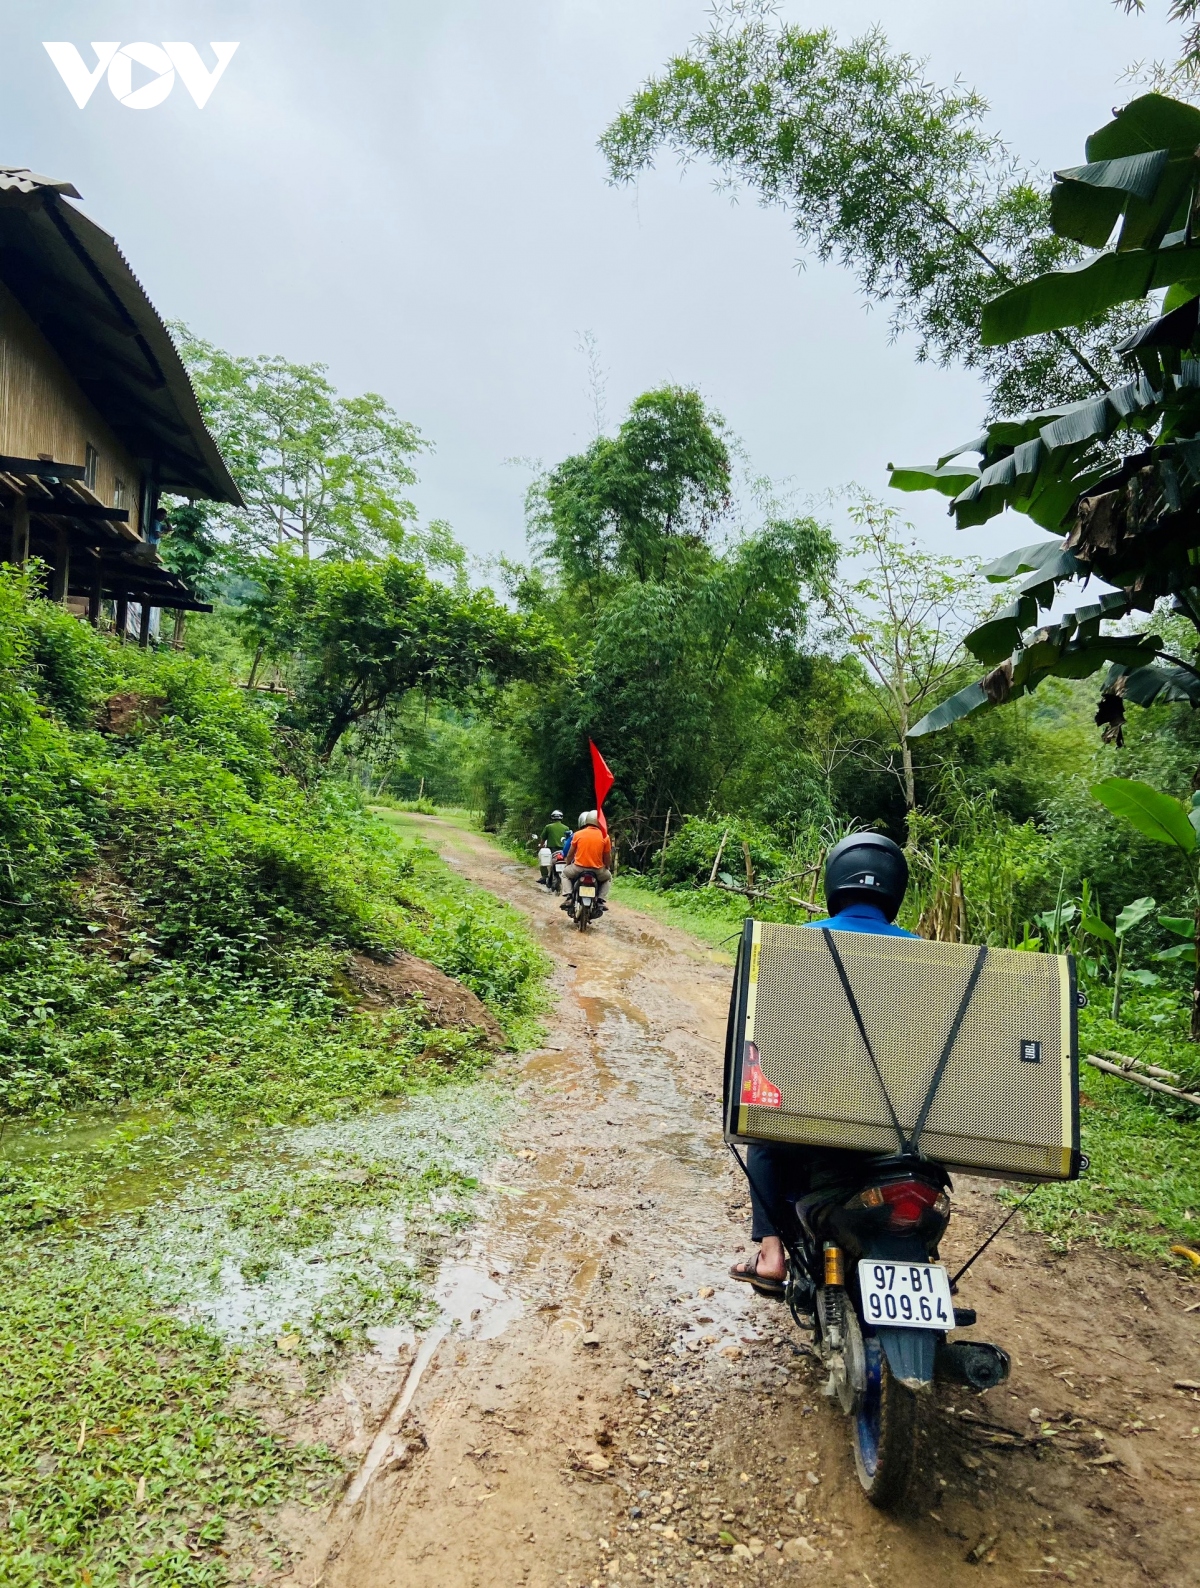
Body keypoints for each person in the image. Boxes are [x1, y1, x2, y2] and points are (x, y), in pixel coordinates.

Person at [729, 832, 917, 1297]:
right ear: (895, 889)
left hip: (815, 1119)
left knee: (765, 1142)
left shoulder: (797, 944)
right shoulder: (927, 954)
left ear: (835, 881)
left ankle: (772, 1256)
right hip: (903, 1126)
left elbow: (766, 1033)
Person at [561, 809, 613, 911]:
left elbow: (570, 853)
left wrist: (567, 863)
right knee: (608, 877)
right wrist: (607, 866)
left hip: (578, 868)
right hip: (597, 870)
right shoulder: (605, 836)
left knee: (565, 874)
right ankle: (600, 901)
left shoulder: (578, 834)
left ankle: (569, 897)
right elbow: (607, 857)